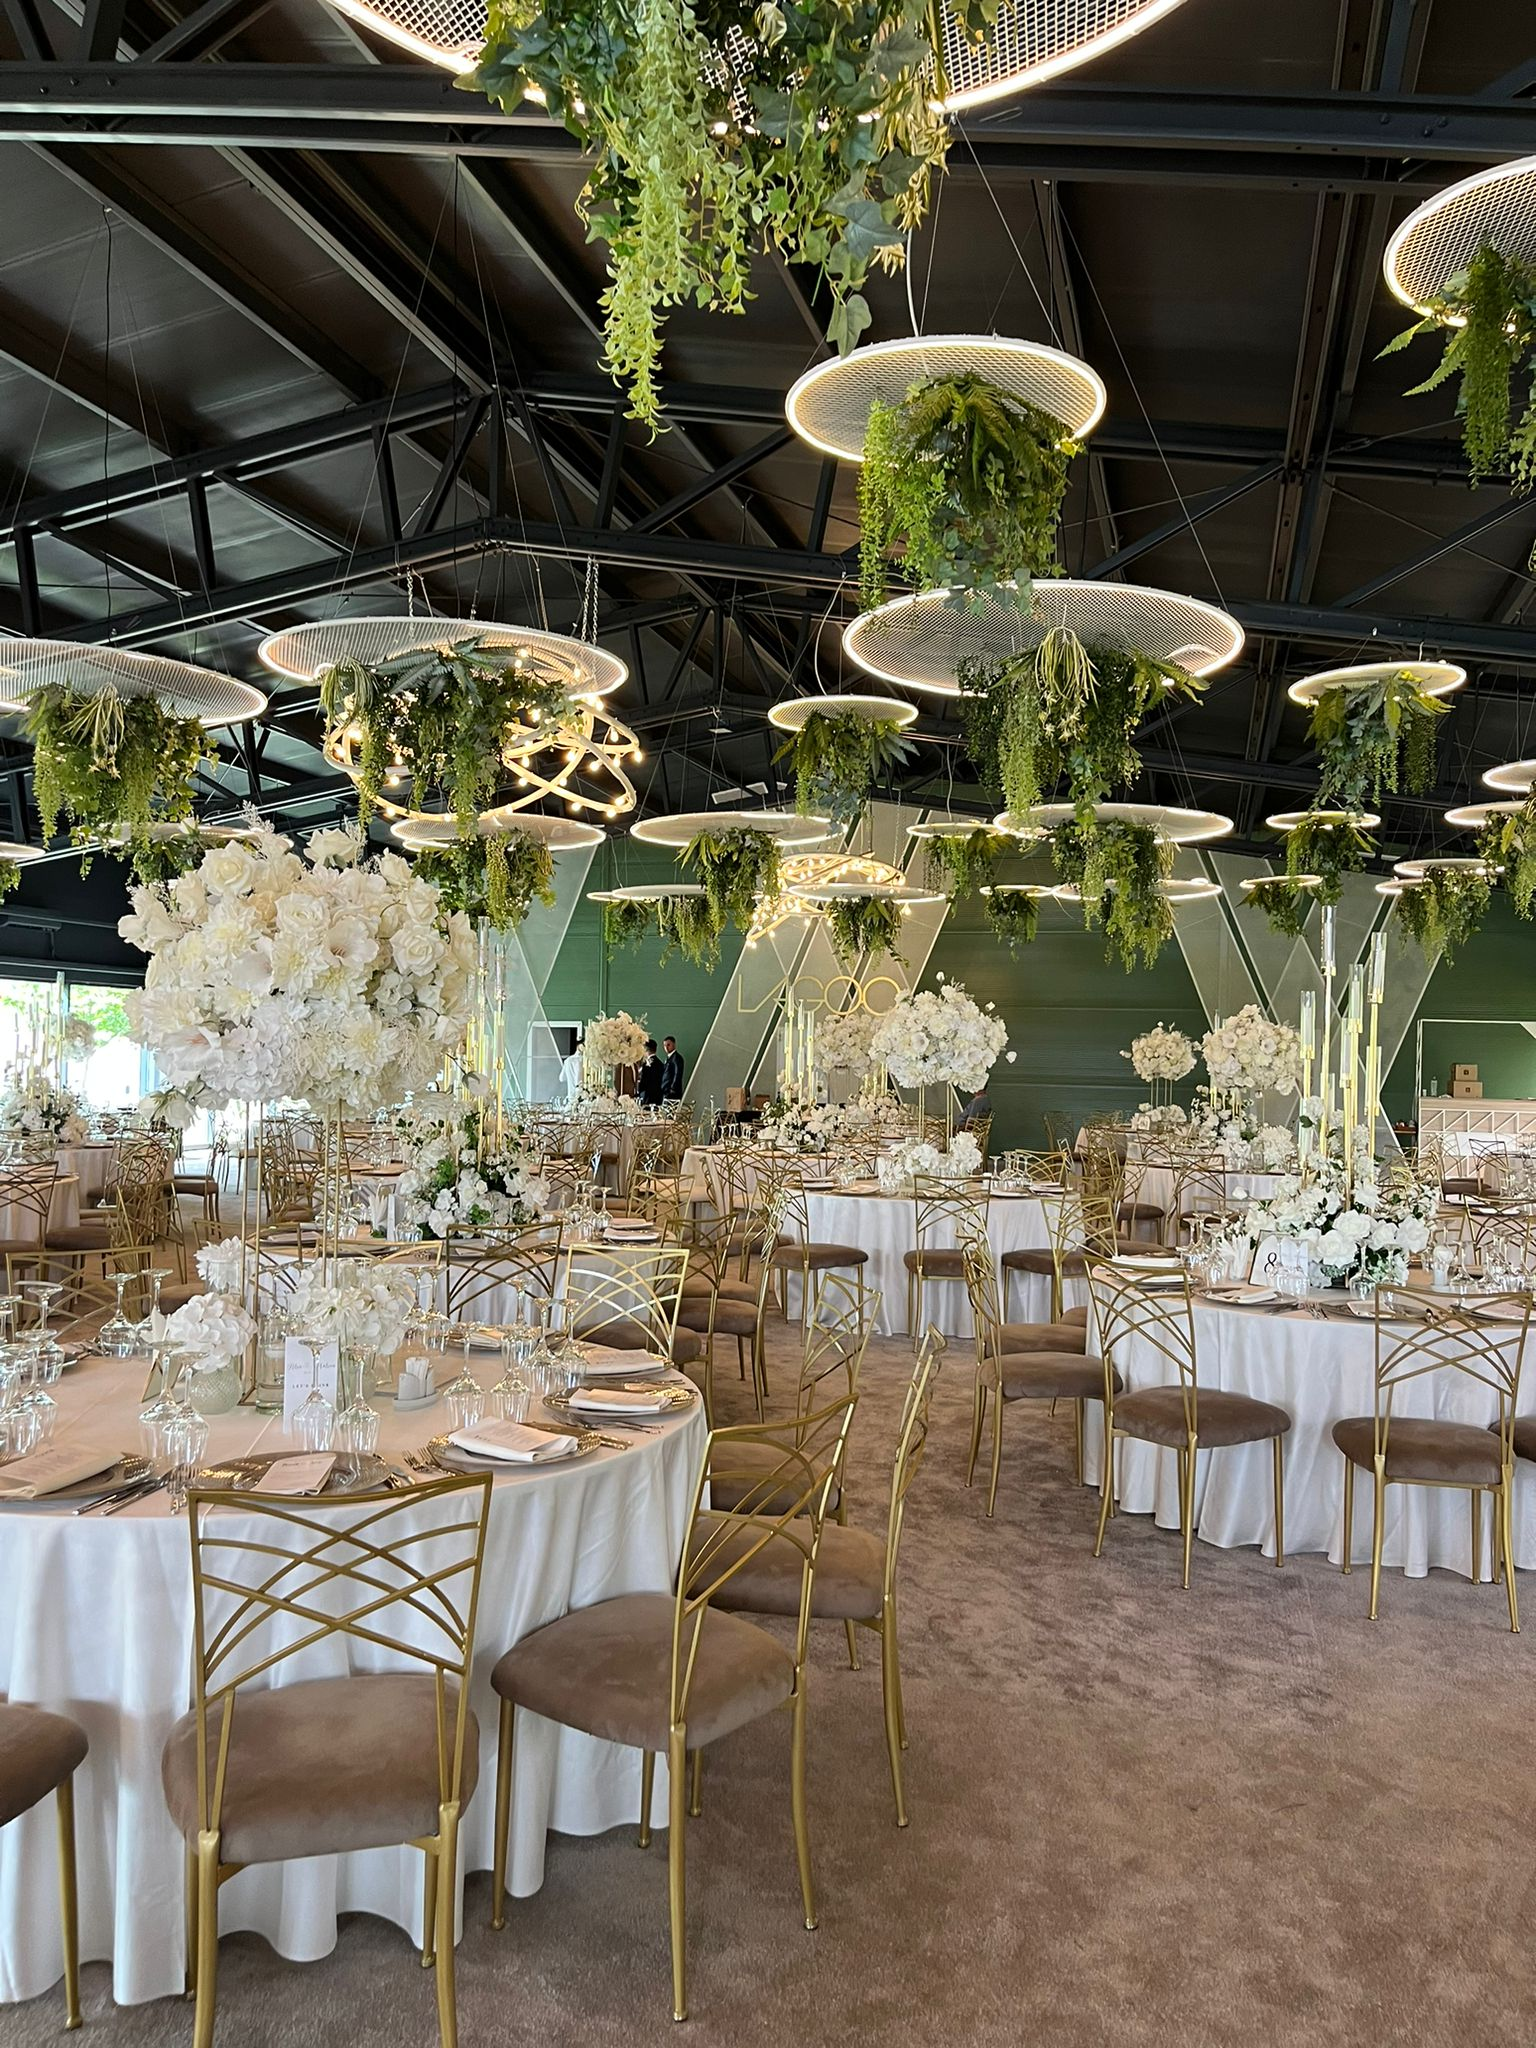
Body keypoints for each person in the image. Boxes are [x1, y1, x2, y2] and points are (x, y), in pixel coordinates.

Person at [635, 1038, 665, 1107]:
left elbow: (643, 1080)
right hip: (658, 1097)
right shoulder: (660, 1063)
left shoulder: (646, 1064)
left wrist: (638, 1091)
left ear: (645, 1049)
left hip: (647, 1097)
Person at [660, 1035, 685, 1102]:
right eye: (664, 1045)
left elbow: (678, 1074)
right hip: (665, 1090)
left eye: (668, 1045)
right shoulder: (668, 1058)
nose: (666, 1047)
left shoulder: (677, 1058)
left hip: (672, 1092)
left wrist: (672, 1089)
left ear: (674, 1044)